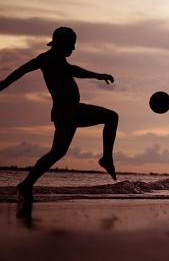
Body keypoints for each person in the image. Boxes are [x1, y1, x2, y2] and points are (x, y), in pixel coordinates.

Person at [0, 27, 118, 202]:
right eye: (71, 44)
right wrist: (98, 76)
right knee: (111, 117)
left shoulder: (44, 58)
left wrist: (4, 84)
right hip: (68, 111)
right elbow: (73, 71)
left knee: (57, 152)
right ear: (62, 43)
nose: (73, 48)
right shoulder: (54, 59)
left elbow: (21, 70)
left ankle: (26, 184)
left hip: (67, 112)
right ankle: (106, 158)